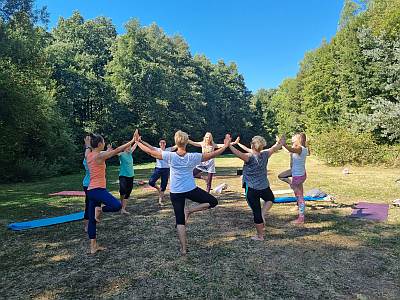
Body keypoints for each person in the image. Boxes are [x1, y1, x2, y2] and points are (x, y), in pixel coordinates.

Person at [135, 130, 231, 255]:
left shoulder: (170, 155)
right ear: (186, 142)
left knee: (180, 220)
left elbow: (150, 152)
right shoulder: (193, 156)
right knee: (213, 201)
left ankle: (184, 248)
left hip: (176, 192)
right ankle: (190, 212)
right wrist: (226, 145)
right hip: (190, 189)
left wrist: (137, 142)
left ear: (176, 142)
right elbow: (213, 155)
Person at [86, 132, 136, 254]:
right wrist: (132, 141)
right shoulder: (99, 157)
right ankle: (101, 210)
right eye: (103, 142)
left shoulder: (90, 154)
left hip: (91, 191)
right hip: (98, 190)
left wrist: (88, 144)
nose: (104, 143)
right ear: (99, 144)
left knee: (92, 220)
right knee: (117, 205)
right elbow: (117, 150)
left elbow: (92, 150)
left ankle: (93, 246)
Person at [230, 136, 283, 241]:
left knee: (256, 212)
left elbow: (237, 153)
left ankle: (260, 236)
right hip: (264, 187)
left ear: (252, 145)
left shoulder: (249, 157)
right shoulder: (265, 154)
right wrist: (280, 142)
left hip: (252, 188)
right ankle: (262, 214)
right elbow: (275, 147)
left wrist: (228, 145)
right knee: (270, 199)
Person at [281, 133, 309, 225]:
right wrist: (281, 144)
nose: (292, 139)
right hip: (300, 174)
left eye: (294, 138)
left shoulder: (300, 149)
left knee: (300, 197)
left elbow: (290, 149)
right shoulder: (303, 148)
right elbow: (289, 150)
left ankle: (301, 218)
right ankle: (299, 209)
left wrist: (284, 144)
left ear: (299, 139)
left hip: (297, 176)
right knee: (281, 176)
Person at [140, 139, 177, 204]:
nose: (162, 144)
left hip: (166, 169)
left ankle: (160, 200)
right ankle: (158, 189)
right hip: (158, 169)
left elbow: (177, 146)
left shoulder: (168, 149)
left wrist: (185, 141)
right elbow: (148, 146)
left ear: (165, 144)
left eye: (164, 142)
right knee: (151, 182)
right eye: (161, 142)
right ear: (159, 144)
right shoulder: (156, 149)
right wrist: (141, 141)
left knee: (164, 185)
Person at [118, 142, 138, 214]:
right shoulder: (121, 154)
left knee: (128, 192)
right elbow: (116, 152)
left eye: (130, 146)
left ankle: (123, 208)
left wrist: (137, 141)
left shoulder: (130, 153)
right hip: (123, 175)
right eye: (127, 146)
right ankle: (121, 203)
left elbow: (134, 146)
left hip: (131, 176)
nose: (129, 148)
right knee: (122, 190)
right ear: (124, 147)